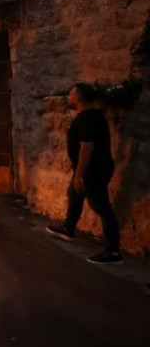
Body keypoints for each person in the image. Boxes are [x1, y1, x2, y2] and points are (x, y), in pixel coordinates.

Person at [45, 83, 122, 265]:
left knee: (102, 208)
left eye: (71, 94)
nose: (68, 97)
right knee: (74, 194)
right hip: (91, 169)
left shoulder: (88, 118)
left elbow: (86, 148)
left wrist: (79, 174)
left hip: (92, 170)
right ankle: (68, 228)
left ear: (78, 97)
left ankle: (113, 252)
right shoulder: (90, 116)